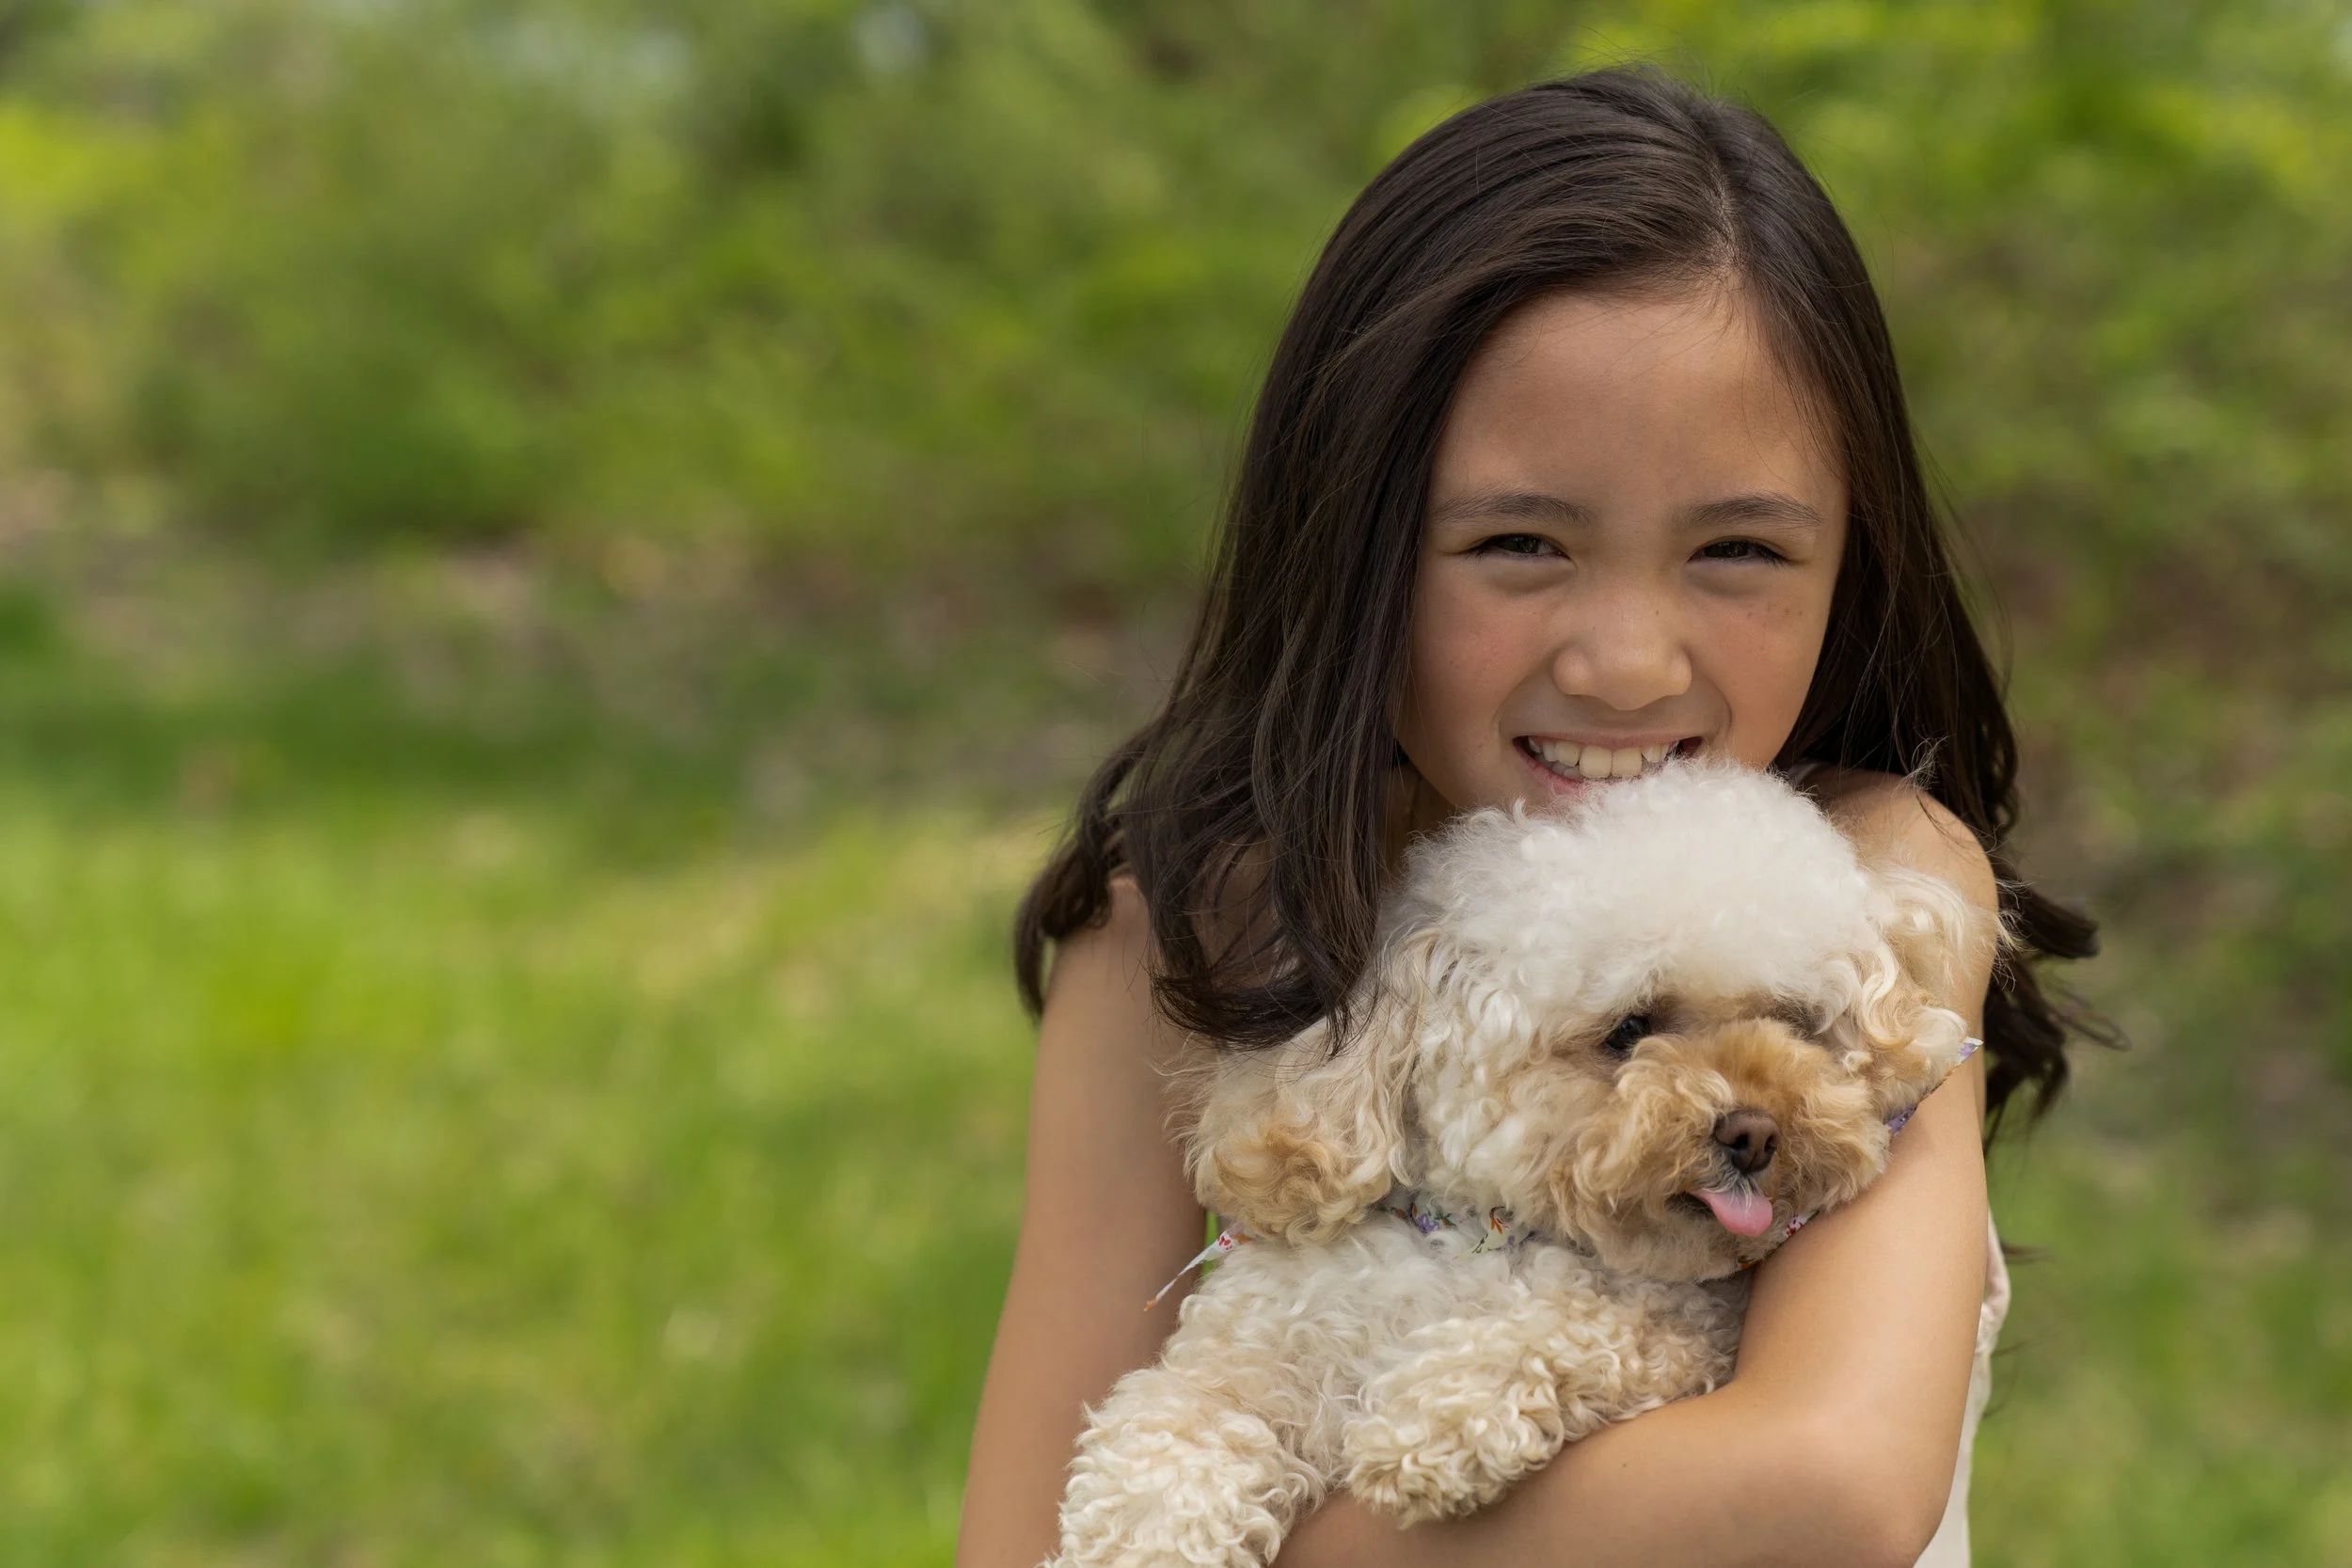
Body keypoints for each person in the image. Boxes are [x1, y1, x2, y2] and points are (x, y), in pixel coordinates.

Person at [956, 69, 2099, 1568]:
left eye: (1739, 547)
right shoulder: (1184, 936)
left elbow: (1826, 1486)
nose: (1626, 660)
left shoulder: (1865, 886)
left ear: (1850, 562)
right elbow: (1020, 1539)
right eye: (1517, 540)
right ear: (1353, 538)